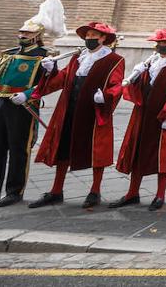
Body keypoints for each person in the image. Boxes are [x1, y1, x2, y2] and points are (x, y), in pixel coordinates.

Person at [0, 0, 62, 208]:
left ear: (37, 36)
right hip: (1, 104)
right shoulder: (8, 54)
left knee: (19, 149)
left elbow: (50, 83)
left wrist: (27, 94)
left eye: (27, 33)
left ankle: (14, 191)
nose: (22, 35)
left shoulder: (45, 56)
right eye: (21, 32)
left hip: (23, 107)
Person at [27, 22, 125, 209]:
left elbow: (117, 85)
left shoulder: (114, 60)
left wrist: (105, 96)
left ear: (103, 38)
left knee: (96, 151)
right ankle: (56, 191)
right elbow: (62, 79)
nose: (89, 38)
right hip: (69, 109)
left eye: (93, 35)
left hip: (94, 111)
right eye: (87, 35)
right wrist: (50, 71)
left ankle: (95, 191)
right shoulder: (77, 58)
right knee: (62, 148)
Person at [111, 28, 166, 211]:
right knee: (137, 152)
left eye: (165, 43)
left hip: (163, 116)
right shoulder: (151, 62)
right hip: (144, 113)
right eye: (159, 42)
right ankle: (133, 193)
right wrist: (138, 75)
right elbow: (143, 86)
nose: (161, 45)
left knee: (162, 155)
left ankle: (159, 195)